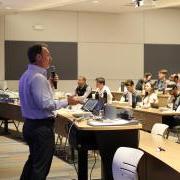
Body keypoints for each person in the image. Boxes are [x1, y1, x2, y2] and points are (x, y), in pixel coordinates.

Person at [19, 44, 78, 180]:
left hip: (30, 125)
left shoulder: (26, 75)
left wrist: (50, 84)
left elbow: (40, 100)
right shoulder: (38, 78)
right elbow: (46, 104)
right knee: (40, 169)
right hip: (41, 129)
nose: (50, 59)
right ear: (38, 57)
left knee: (33, 163)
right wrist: (67, 101)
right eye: (48, 55)